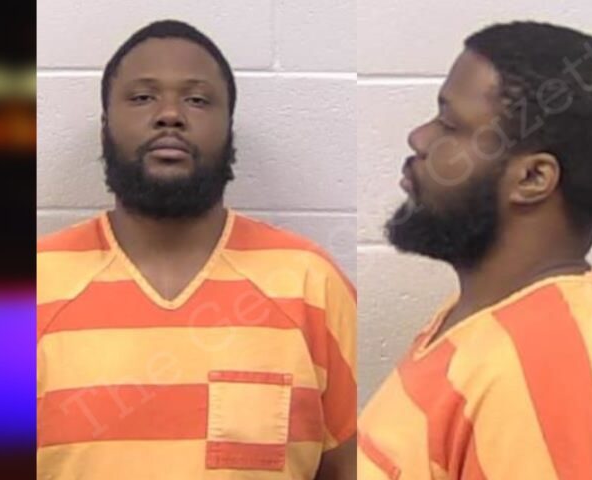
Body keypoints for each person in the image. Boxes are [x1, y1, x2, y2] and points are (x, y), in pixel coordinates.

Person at [37, 20, 356, 480]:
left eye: (197, 100)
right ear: (106, 125)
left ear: (229, 128)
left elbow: (350, 465)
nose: (170, 115)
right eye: (142, 97)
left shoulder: (310, 283)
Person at [358, 21, 592, 479]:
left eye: (450, 125)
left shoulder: (545, 381)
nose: (420, 137)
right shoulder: (496, 316)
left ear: (532, 178)